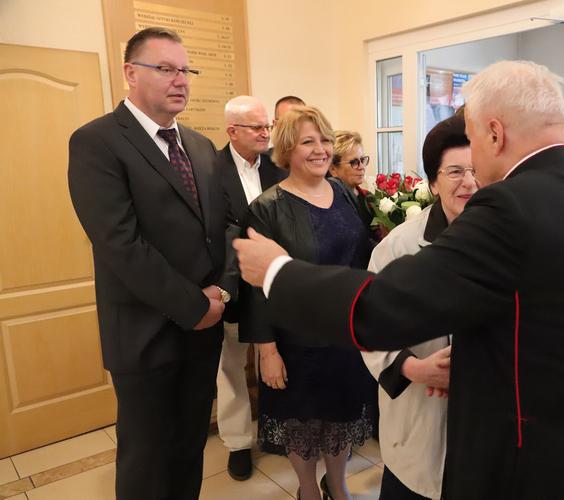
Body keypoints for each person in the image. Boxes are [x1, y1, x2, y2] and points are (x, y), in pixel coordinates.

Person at [234, 60, 564, 500]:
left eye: (472, 140)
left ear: (494, 133)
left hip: (541, 458)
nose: (472, 172)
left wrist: (278, 272)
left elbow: (383, 307)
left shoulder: (512, 205)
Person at [68, 27, 226, 499]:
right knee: (147, 459)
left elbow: (221, 229)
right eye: (166, 69)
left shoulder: (199, 146)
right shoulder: (97, 142)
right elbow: (121, 244)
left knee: (190, 447)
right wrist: (195, 306)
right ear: (130, 73)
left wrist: (223, 292)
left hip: (203, 332)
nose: (181, 80)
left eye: (186, 70)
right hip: (144, 334)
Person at [237, 106, 375, 500]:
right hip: (296, 341)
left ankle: (338, 484)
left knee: (340, 417)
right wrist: (267, 351)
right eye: (308, 142)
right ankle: (308, 489)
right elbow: (255, 286)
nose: (320, 149)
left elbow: (359, 257)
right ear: (286, 150)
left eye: (325, 140)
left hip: (344, 333)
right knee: (303, 424)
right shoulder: (267, 207)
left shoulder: (345, 194)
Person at [363, 113, 478, 500]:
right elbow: (368, 327)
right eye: (455, 171)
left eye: (476, 170)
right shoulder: (399, 246)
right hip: (419, 415)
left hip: (484, 418)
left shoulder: (508, 238)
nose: (469, 182)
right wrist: (415, 369)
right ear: (432, 182)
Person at [215, 95, 288, 481]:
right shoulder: (210, 168)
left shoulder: (279, 165)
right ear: (232, 131)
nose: (265, 133)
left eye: (267, 126)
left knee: (275, 357)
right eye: (257, 127)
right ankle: (238, 442)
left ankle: (278, 430)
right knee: (230, 365)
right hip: (231, 282)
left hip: (275, 281)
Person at [329, 130, 373, 228]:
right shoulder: (328, 205)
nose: (362, 167)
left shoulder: (369, 198)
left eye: (362, 160)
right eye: (354, 162)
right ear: (333, 169)